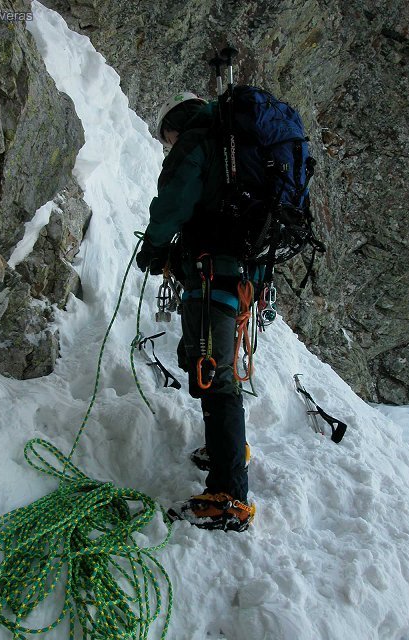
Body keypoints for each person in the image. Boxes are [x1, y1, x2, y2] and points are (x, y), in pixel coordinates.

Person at [136, 92, 259, 532]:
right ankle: (228, 448)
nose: (169, 145)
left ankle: (229, 496)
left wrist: (152, 249)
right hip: (236, 274)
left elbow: (174, 201)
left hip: (210, 275)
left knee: (213, 370)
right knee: (206, 362)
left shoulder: (198, 140)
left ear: (175, 124)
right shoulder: (237, 150)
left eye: (167, 138)